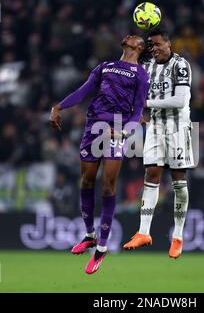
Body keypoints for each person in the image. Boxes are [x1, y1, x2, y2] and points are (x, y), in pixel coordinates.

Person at [49, 35, 149, 274]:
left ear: (139, 47)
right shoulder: (105, 66)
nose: (129, 36)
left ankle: (102, 247)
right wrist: (59, 106)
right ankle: (89, 235)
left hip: (116, 127)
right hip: (93, 123)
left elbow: (138, 110)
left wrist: (125, 132)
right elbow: (83, 91)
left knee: (108, 186)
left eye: (135, 37)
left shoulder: (141, 74)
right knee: (87, 180)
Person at [123, 28, 194, 259]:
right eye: (151, 45)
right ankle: (144, 232)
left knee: (178, 182)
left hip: (177, 128)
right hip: (154, 127)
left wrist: (147, 103)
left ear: (169, 44)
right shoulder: (147, 67)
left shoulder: (180, 65)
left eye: (158, 44)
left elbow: (180, 100)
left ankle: (178, 236)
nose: (154, 48)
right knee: (151, 175)